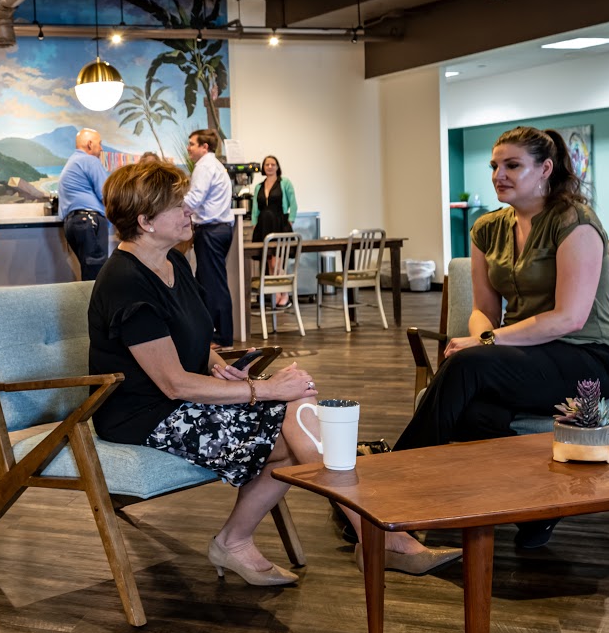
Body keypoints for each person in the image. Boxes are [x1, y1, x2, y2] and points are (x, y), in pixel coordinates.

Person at [88, 159, 461, 583]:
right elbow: (173, 383)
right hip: (144, 416)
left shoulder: (173, 261)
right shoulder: (125, 282)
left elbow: (194, 344)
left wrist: (222, 367)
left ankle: (344, 538)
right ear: (145, 221)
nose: (189, 210)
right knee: (291, 418)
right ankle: (377, 537)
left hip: (185, 400)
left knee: (298, 404)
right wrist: (263, 389)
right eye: (178, 205)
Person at [396, 126, 609, 549]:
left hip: (588, 358)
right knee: (470, 406)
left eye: (512, 165)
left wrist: (485, 345)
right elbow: (484, 309)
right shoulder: (487, 228)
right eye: (495, 166)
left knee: (465, 368)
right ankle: (540, 505)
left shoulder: (574, 222)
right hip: (524, 356)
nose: (499, 175)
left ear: (545, 169)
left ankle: (394, 485)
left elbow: (570, 318)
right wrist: (484, 338)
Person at [184, 128, 235, 348]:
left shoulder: (204, 166)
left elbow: (194, 199)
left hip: (211, 231)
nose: (188, 148)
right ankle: (214, 334)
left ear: (205, 147)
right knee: (208, 282)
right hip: (220, 229)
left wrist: (172, 209)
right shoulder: (215, 165)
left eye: (192, 144)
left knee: (213, 285)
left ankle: (221, 337)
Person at [58, 128, 109, 280]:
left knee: (90, 273)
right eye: (99, 144)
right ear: (89, 144)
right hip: (89, 221)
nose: (101, 148)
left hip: (74, 223)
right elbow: (107, 194)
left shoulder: (73, 161)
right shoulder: (90, 160)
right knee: (97, 275)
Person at [252, 155, 296, 239]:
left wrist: (290, 221)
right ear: (263, 167)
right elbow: (255, 208)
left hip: (280, 223)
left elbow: (293, 204)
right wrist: (254, 224)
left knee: (280, 247)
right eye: (267, 164)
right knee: (262, 247)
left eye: (273, 164)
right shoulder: (258, 187)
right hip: (262, 225)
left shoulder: (285, 183)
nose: (270, 167)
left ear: (277, 167)